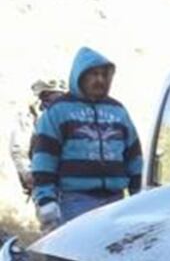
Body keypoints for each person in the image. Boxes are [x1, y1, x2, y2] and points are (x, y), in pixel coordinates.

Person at [31, 47, 143, 230]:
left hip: (116, 201)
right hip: (75, 201)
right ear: (80, 76)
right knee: (75, 256)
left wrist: (140, 195)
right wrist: (45, 200)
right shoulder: (59, 111)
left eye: (104, 75)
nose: (99, 79)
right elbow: (44, 159)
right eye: (93, 74)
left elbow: (134, 156)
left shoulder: (118, 111)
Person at [9, 78, 67, 197]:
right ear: (43, 97)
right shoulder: (29, 117)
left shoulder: (75, 113)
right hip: (45, 182)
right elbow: (19, 149)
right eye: (53, 97)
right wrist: (28, 175)